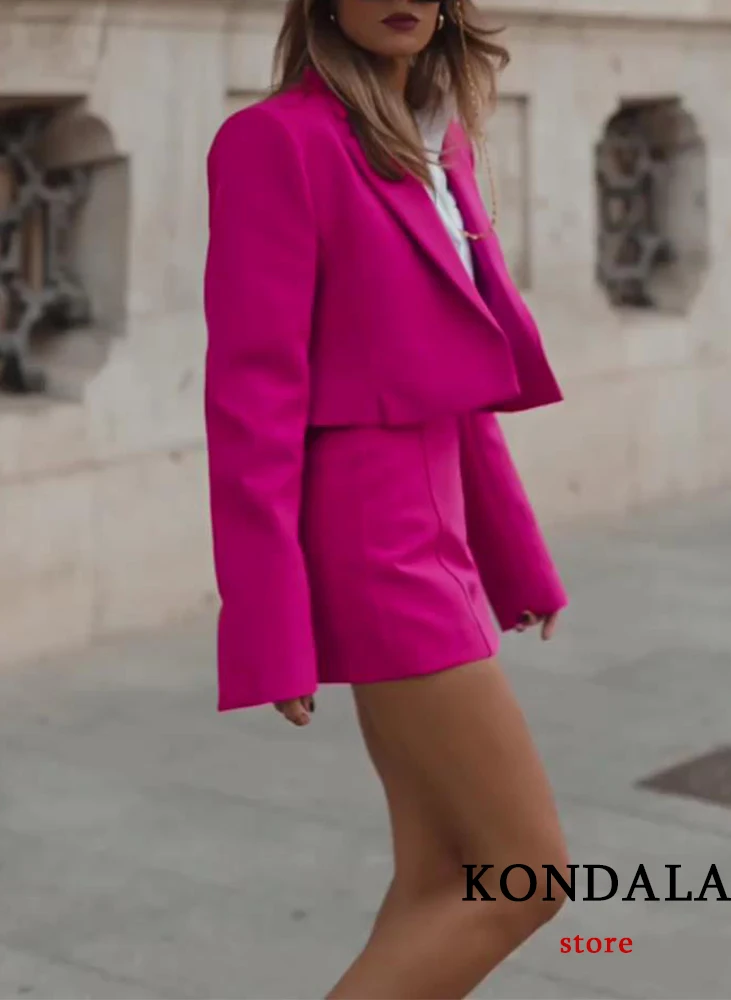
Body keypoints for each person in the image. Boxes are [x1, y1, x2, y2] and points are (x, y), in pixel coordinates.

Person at [203, 0, 569, 994]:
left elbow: (457, 380)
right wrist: (271, 619)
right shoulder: (274, 141)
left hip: (435, 521)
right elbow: (251, 398)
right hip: (373, 543)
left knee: (442, 874)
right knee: (526, 876)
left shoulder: (439, 138)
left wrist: (517, 559)